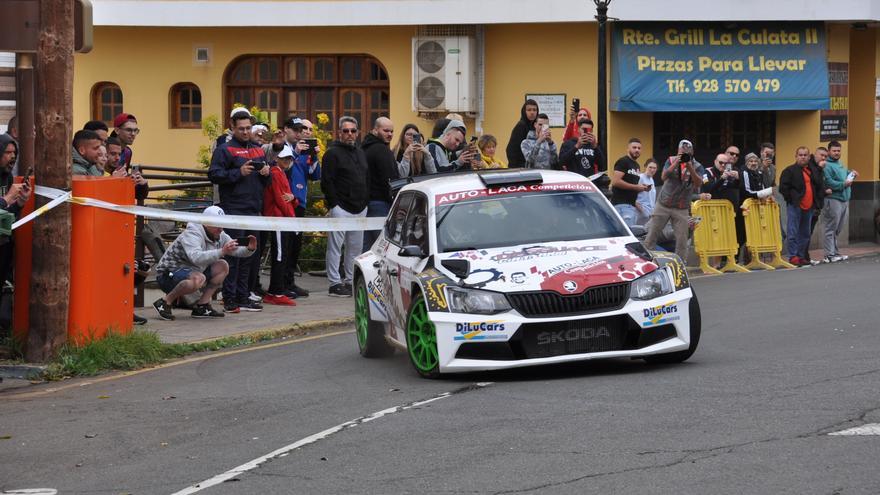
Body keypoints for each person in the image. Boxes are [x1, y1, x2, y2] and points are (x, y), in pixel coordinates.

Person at [208, 110, 270, 312]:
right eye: (241, 128)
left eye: (248, 128)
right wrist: (238, 172)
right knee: (233, 256)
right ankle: (229, 298)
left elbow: (266, 182)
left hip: (254, 209)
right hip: (234, 209)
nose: (245, 132)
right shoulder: (224, 149)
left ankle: (244, 296)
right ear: (233, 128)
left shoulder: (258, 149)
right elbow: (215, 175)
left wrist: (266, 173)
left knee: (250, 256)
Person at [152, 205, 257, 320]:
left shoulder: (219, 234)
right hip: (167, 273)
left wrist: (249, 249)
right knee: (199, 278)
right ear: (206, 223)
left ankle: (202, 306)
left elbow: (235, 250)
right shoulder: (192, 233)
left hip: (193, 270)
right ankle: (164, 302)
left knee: (222, 266)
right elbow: (196, 257)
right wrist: (222, 251)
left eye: (222, 223)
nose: (221, 228)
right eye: (217, 224)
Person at [321, 116, 369, 297]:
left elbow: (366, 178)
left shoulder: (360, 152)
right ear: (339, 132)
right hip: (341, 207)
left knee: (355, 248)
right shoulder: (332, 153)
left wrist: (366, 201)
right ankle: (334, 283)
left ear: (357, 133)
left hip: (360, 207)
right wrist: (334, 204)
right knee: (335, 247)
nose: (350, 134)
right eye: (346, 131)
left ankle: (350, 280)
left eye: (353, 131)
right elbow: (327, 181)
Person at [644, 139, 705, 262]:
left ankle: (680, 265)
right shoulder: (671, 160)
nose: (685, 153)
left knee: (682, 239)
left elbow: (698, 184)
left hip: (681, 207)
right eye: (682, 150)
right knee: (652, 234)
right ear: (678, 150)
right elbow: (663, 176)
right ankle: (646, 262)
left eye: (688, 150)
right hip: (664, 204)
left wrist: (689, 167)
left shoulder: (697, 166)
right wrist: (676, 162)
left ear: (692, 151)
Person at [283, 118, 321, 298]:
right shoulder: (285, 149)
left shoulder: (305, 151)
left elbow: (315, 176)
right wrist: (297, 153)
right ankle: (282, 283)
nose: (304, 132)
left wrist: (314, 157)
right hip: (286, 203)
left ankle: (290, 282)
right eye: (300, 129)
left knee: (296, 245)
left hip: (300, 203)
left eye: (307, 129)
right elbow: (284, 169)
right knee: (286, 245)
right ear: (287, 130)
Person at [262, 147, 298, 305]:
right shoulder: (276, 173)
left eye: (289, 158)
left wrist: (293, 200)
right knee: (279, 255)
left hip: (283, 218)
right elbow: (280, 198)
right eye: (284, 158)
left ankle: (276, 290)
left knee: (282, 255)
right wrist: (291, 215)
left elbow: (288, 197)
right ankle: (275, 292)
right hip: (279, 219)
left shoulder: (280, 173)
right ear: (276, 158)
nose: (287, 161)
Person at [779, 146, 824, 267]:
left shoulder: (812, 170)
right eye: (800, 155)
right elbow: (783, 188)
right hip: (795, 205)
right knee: (792, 231)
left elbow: (818, 184)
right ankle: (793, 256)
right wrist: (791, 199)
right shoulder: (789, 170)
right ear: (796, 156)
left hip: (809, 206)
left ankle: (801, 256)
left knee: (805, 233)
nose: (803, 157)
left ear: (809, 157)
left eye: (805, 155)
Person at [0, 133, 30, 311]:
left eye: (14, 153)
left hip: (3, 243)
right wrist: (7, 198)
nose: (12, 157)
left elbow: (7, 216)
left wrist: (19, 203)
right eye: (7, 152)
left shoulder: (8, 178)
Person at [362, 117, 398, 252]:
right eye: (386, 131)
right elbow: (390, 180)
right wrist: (394, 200)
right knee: (382, 247)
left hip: (366, 203)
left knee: (366, 247)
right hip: (381, 203)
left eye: (392, 131)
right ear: (375, 130)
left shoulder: (364, 147)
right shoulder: (381, 150)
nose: (390, 134)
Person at [822, 141, 857, 263]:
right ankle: (829, 254)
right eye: (834, 151)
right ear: (829, 152)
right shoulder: (826, 165)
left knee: (837, 228)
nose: (837, 153)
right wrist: (843, 184)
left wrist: (852, 174)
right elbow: (829, 182)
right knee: (831, 227)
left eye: (838, 151)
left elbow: (844, 175)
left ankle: (835, 252)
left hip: (844, 199)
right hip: (833, 200)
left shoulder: (839, 163)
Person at [702, 152, 744, 250]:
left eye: (725, 164)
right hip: (710, 210)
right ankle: (712, 263)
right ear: (715, 162)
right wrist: (722, 179)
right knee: (713, 237)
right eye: (721, 163)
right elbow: (709, 188)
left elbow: (734, 186)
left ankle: (720, 262)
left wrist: (738, 179)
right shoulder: (707, 171)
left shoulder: (727, 173)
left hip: (723, 211)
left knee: (724, 237)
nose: (723, 165)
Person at [609, 137, 649, 226]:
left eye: (639, 148)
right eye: (634, 147)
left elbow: (632, 184)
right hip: (621, 205)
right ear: (628, 149)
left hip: (631, 205)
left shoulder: (636, 165)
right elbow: (615, 182)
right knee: (627, 235)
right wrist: (636, 187)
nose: (637, 150)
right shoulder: (623, 161)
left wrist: (641, 187)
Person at [505, 99, 539, 168]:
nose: (532, 112)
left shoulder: (536, 126)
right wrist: (515, 168)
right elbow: (511, 149)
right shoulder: (521, 126)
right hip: (520, 168)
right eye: (529, 110)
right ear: (524, 111)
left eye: (534, 110)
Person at [635, 158, 658, 225]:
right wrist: (641, 210)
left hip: (649, 214)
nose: (652, 170)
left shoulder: (651, 180)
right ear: (645, 167)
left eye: (654, 168)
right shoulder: (640, 177)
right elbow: (631, 195)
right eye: (650, 167)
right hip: (640, 213)